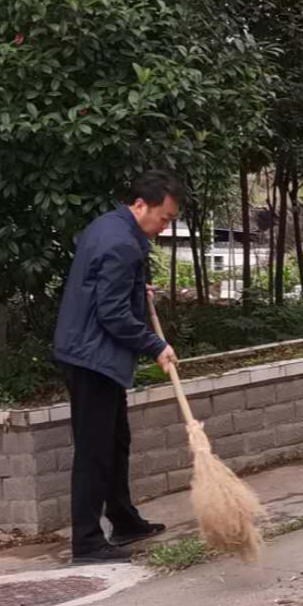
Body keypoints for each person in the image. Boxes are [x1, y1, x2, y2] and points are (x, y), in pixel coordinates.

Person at [53, 170, 182, 564]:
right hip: (91, 357)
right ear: (141, 205)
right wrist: (155, 345)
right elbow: (111, 314)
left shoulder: (108, 226)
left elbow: (100, 283)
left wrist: (132, 287)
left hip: (92, 352)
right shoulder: (123, 243)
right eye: (163, 218)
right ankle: (87, 542)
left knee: (115, 442)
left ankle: (123, 518)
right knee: (94, 450)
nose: (164, 227)